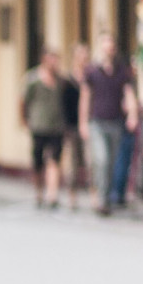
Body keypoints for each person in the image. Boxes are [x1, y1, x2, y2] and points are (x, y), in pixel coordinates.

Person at [80, 34, 140, 215]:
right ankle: (101, 199)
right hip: (97, 122)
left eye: (111, 47)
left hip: (116, 122)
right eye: (106, 46)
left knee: (112, 163)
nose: (109, 50)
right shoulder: (91, 71)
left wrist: (133, 114)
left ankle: (105, 197)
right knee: (102, 159)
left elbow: (128, 93)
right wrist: (83, 122)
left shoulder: (122, 71)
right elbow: (85, 98)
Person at [21, 48, 67, 209]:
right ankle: (39, 192)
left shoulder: (61, 80)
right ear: (44, 60)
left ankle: (52, 195)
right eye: (51, 59)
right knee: (38, 161)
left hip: (57, 126)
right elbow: (22, 101)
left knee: (55, 159)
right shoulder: (32, 79)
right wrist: (24, 120)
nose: (54, 63)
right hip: (38, 125)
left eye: (56, 60)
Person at [62, 45, 89, 210]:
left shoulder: (92, 77)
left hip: (88, 126)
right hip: (71, 126)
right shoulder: (67, 80)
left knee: (90, 162)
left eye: (85, 56)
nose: (83, 59)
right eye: (80, 55)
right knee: (72, 163)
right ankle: (73, 197)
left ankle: (94, 195)